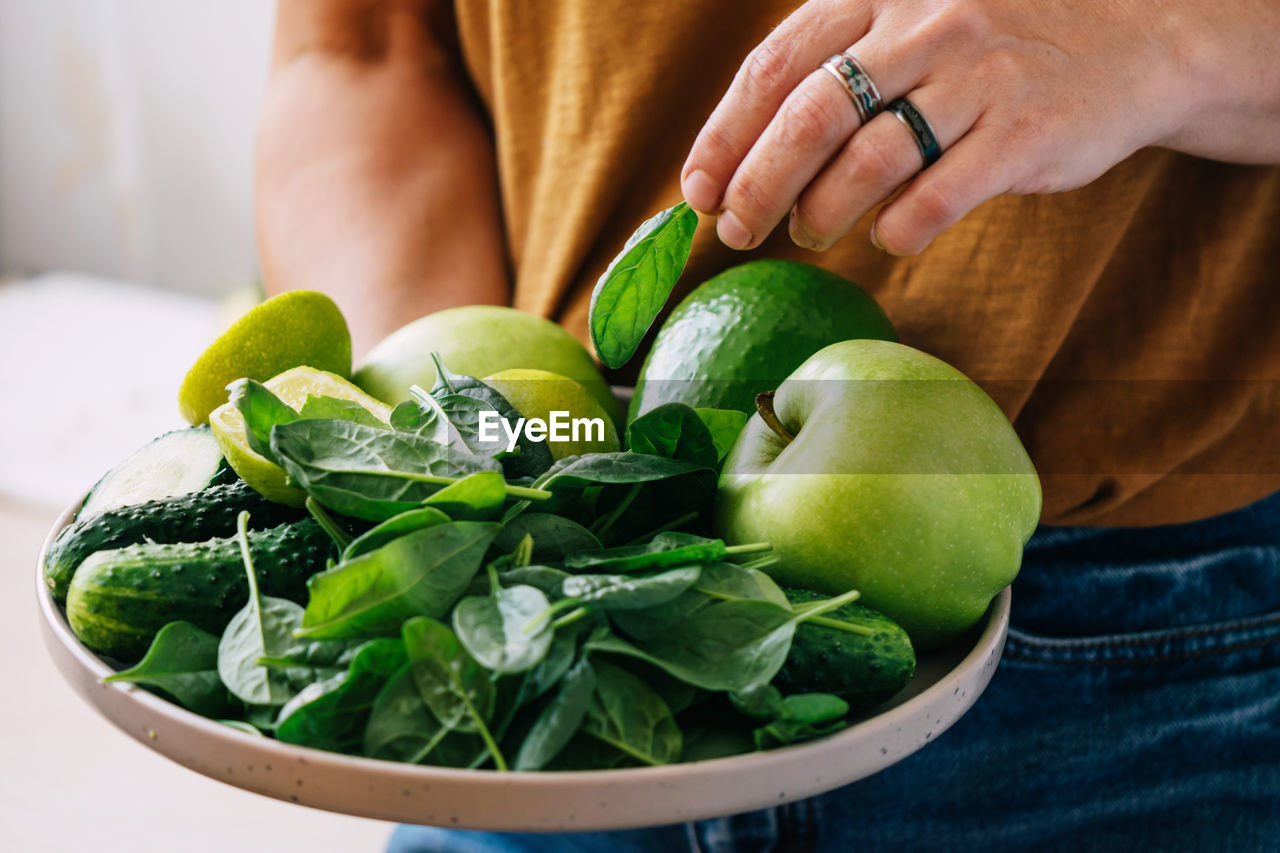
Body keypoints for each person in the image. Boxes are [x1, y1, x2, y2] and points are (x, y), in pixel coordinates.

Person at [255, 1, 1280, 850]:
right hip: (551, 631)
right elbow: (366, 49)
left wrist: (1167, 31)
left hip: (1143, 664)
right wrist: (439, 475)